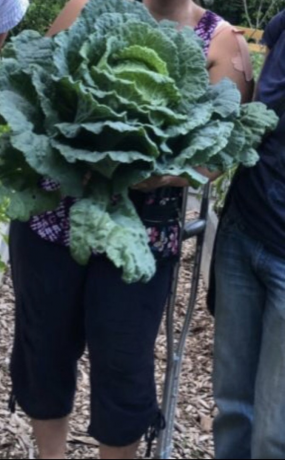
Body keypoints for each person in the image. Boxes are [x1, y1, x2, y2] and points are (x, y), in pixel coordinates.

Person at [9, 1, 253, 459]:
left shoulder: (222, 41)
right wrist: (68, 149)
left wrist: (165, 174)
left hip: (139, 237)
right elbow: (30, 86)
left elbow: (217, 156)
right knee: (42, 350)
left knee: (124, 366)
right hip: (51, 220)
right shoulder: (87, 7)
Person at [212, 10, 285, 460]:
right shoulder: (281, 25)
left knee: (275, 434)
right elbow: (259, 114)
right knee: (233, 407)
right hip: (245, 226)